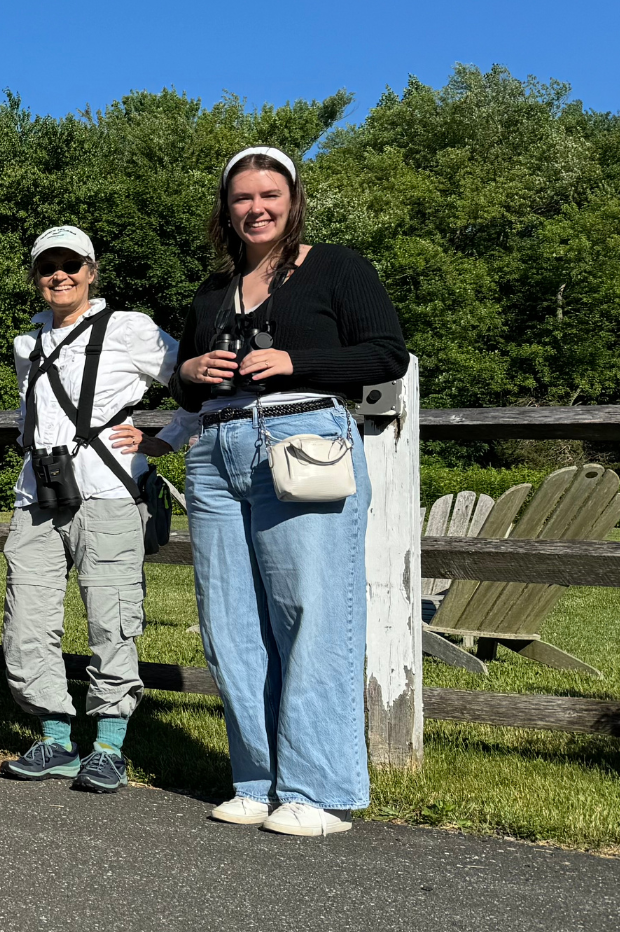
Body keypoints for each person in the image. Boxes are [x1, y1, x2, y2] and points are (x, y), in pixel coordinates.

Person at [172, 147, 407, 837]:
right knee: (230, 625)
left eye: (269, 194)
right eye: (242, 197)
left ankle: (315, 790)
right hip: (216, 450)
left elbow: (386, 353)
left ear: (292, 199)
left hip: (300, 439)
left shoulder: (337, 267)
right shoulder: (213, 292)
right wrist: (190, 366)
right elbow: (183, 388)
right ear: (226, 209)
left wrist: (296, 361)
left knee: (311, 611)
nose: (256, 207)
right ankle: (256, 780)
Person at [0, 225, 191, 794]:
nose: (60, 275)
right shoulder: (26, 343)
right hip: (38, 496)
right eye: (47, 267)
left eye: (71, 265)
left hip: (108, 494)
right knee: (26, 620)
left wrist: (165, 441)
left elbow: (192, 384)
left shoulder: (128, 328)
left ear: (91, 270)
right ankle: (56, 737)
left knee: (112, 619)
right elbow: (28, 416)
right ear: (35, 276)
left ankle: (108, 746)